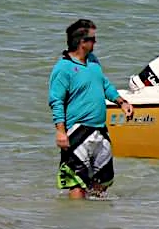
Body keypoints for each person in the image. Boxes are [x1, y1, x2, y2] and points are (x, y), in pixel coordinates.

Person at [48, 19, 132, 199]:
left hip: (100, 130)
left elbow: (104, 84)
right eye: (93, 39)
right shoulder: (63, 68)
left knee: (103, 181)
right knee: (77, 182)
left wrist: (122, 102)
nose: (96, 42)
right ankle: (76, 215)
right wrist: (60, 132)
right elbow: (56, 101)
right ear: (82, 42)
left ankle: (93, 216)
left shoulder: (93, 61)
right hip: (77, 131)